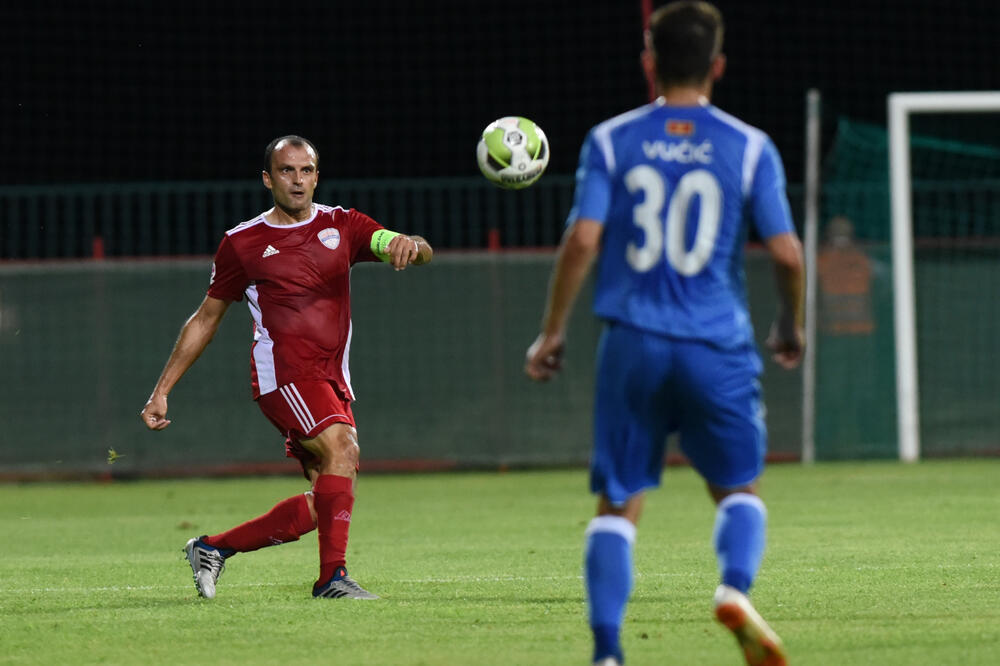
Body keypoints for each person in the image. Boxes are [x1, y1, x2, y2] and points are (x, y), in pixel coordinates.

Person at [524, 3, 803, 665]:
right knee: (739, 489)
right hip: (717, 343)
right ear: (718, 65)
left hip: (634, 342)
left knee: (618, 500)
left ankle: (609, 652)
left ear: (649, 61)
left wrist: (552, 332)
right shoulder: (750, 145)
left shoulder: (611, 140)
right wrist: (789, 324)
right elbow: (789, 254)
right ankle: (733, 589)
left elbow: (583, 239)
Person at [140, 135, 432, 600]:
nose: (297, 181)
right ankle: (332, 579)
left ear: (317, 176)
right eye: (286, 171)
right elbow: (206, 318)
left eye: (306, 171)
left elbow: (410, 247)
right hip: (285, 376)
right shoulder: (243, 243)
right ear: (267, 179)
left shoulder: (345, 225)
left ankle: (212, 549)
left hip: (333, 379)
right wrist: (162, 390)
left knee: (327, 497)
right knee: (343, 446)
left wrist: (410, 244)